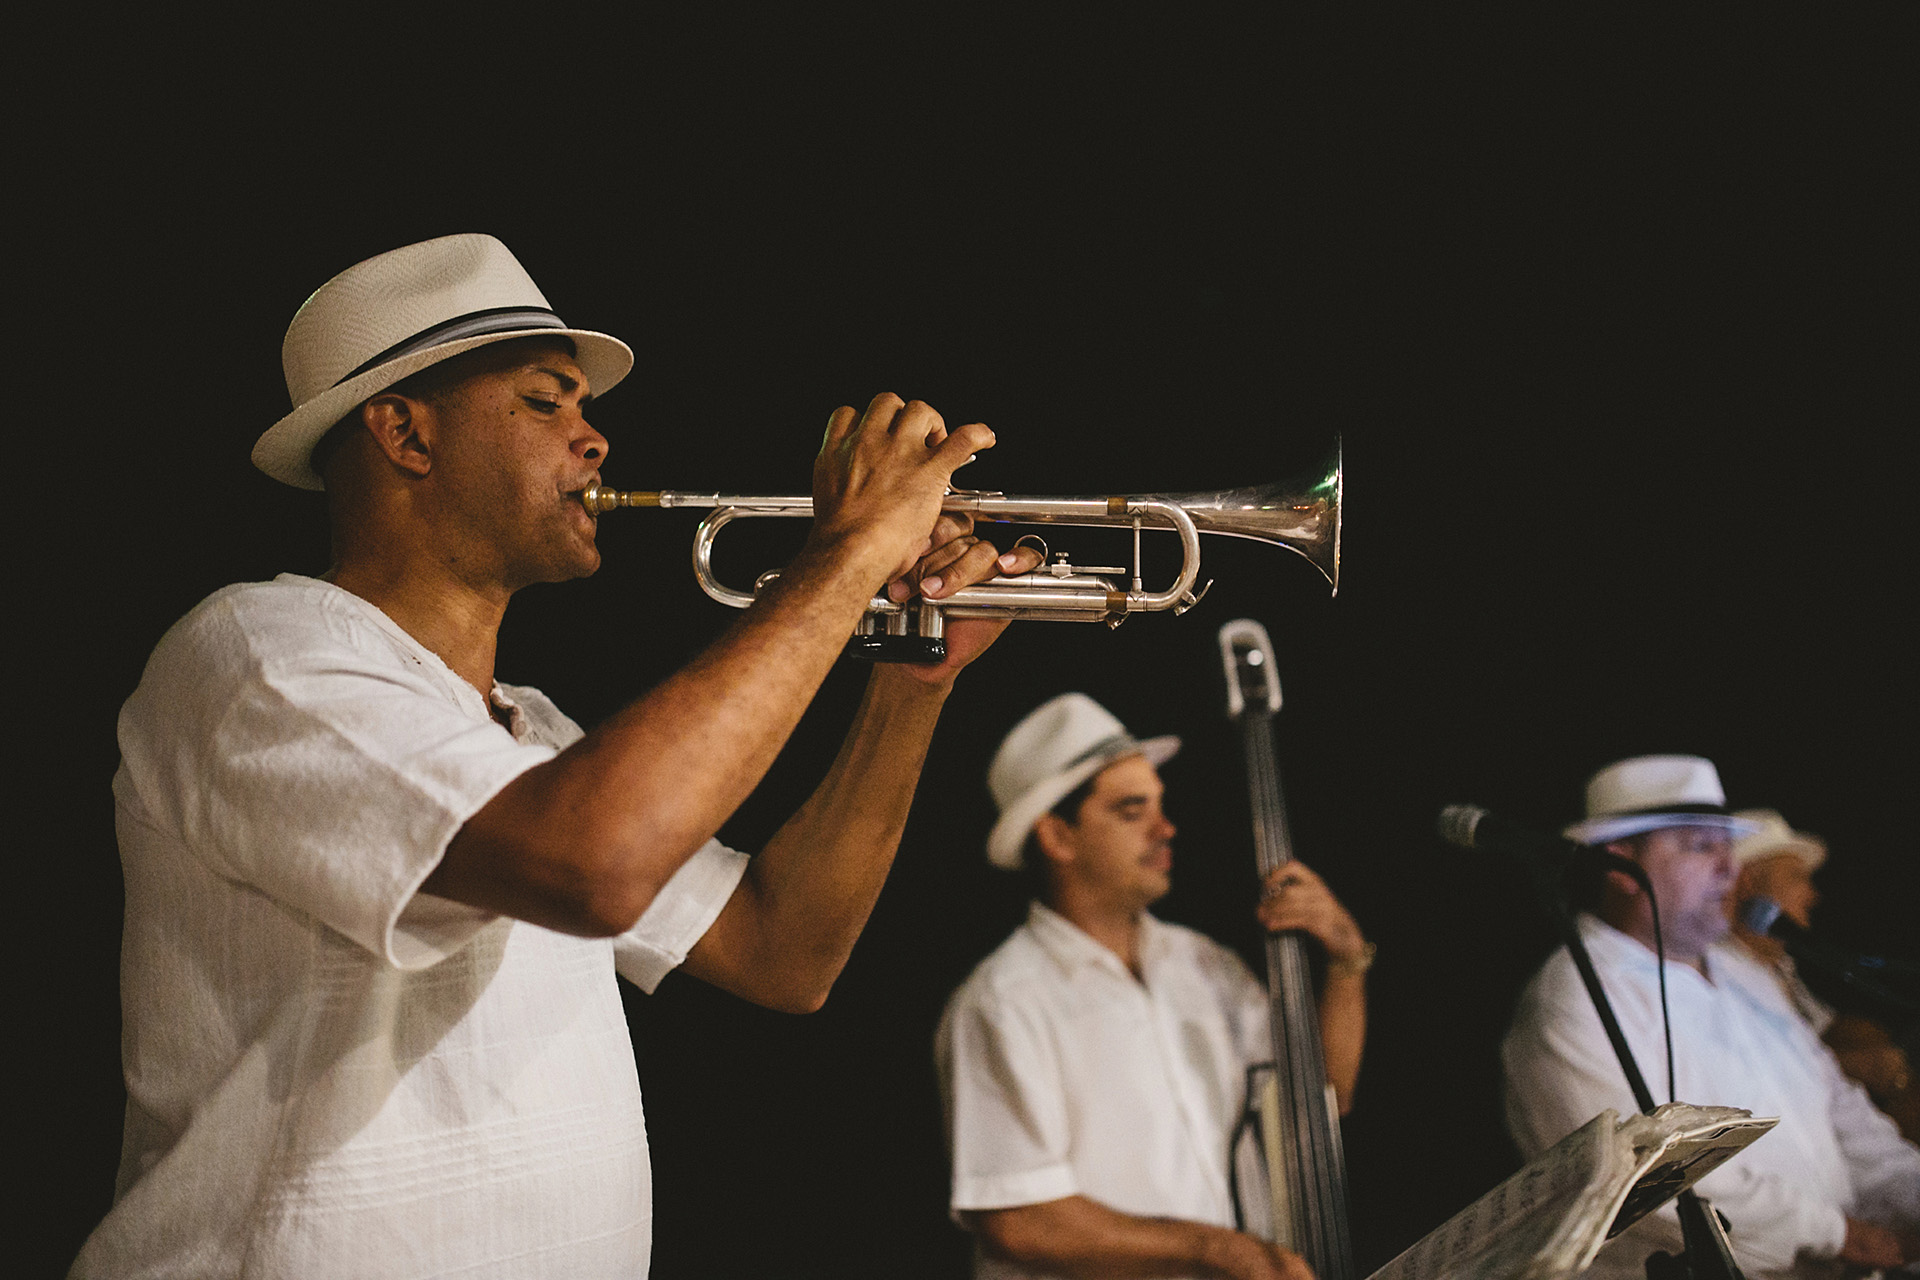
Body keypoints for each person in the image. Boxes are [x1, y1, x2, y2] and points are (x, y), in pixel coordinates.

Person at [73, 233, 1045, 1279]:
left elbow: (785, 950)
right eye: (547, 404)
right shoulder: (259, 657)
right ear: (405, 431)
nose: (596, 442)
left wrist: (911, 682)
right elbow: (594, 860)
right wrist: (848, 554)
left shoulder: (529, 730)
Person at [935, 693, 1372, 1280]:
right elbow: (1018, 1218)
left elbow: (1319, 1105)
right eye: (1131, 810)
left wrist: (1345, 965)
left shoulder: (1207, 965)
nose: (1166, 829)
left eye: (1160, 806)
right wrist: (1221, 1249)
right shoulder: (1002, 1000)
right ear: (1057, 837)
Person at [1502, 755, 1920, 1279]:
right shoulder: (1575, 999)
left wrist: (1910, 1194)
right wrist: (1843, 1236)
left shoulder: (1747, 976)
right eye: (1702, 847)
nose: (1729, 867)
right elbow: (1643, 1181)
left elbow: (1847, 1118)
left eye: (1728, 845)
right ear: (1620, 866)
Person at [1730, 809, 1920, 1142]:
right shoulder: (1720, 975)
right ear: (1748, 882)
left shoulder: (1779, 966)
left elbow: (1824, 1033)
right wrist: (1853, 1064)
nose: (1812, 895)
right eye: (1796, 878)